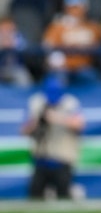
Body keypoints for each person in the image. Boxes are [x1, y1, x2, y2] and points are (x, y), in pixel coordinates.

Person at [20, 51, 85, 200]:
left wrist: (56, 118)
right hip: (41, 158)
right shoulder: (36, 102)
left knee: (63, 200)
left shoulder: (70, 103)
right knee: (34, 199)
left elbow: (80, 124)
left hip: (62, 159)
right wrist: (37, 121)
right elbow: (23, 130)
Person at [42, 0, 101, 85]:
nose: (74, 11)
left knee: (91, 77)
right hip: (63, 68)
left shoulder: (93, 27)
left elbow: (99, 44)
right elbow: (47, 46)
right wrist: (57, 62)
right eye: (71, 7)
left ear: (85, 8)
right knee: (57, 79)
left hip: (84, 68)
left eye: (77, 7)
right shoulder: (57, 26)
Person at [0, 15, 33, 87]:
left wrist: (12, 43)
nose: (7, 31)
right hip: (1, 67)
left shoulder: (18, 37)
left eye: (10, 29)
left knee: (24, 78)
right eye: (4, 28)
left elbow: (25, 48)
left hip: (16, 68)